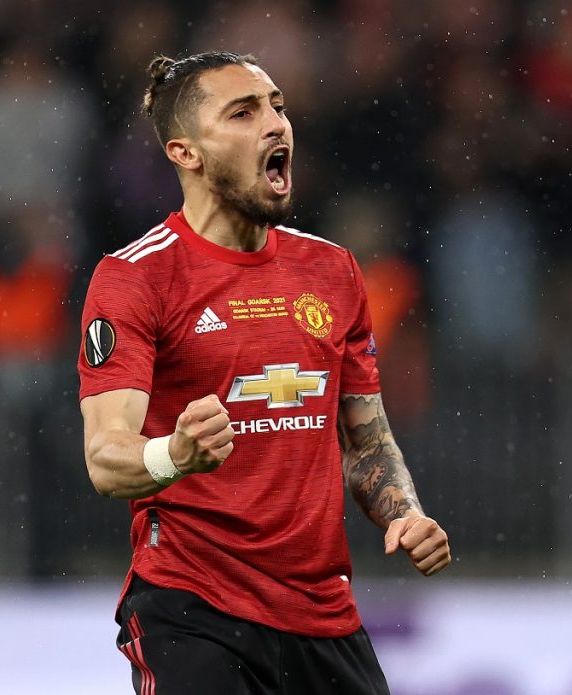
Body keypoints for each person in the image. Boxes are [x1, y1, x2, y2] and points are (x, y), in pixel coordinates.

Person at [76, 51, 451, 694]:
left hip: (323, 616)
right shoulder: (136, 277)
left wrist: (404, 514)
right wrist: (175, 454)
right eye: (243, 113)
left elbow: (366, 443)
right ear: (185, 153)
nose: (276, 124)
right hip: (194, 612)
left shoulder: (332, 271)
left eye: (277, 106)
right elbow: (106, 457)